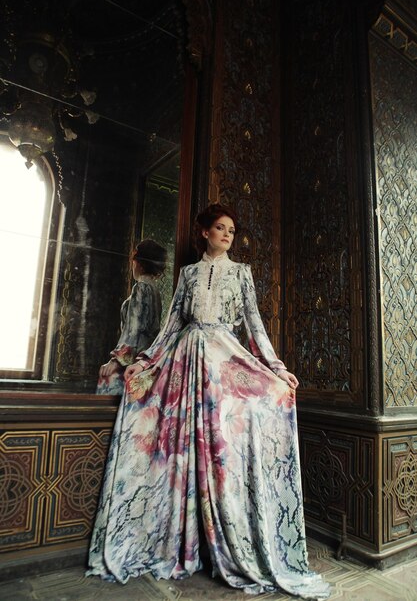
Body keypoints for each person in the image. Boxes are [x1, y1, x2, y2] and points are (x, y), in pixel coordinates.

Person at [87, 204, 330, 600]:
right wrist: (144, 362)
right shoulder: (187, 275)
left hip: (225, 359)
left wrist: (276, 367)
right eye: (220, 228)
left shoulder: (242, 273)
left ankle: (229, 539)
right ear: (204, 232)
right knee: (182, 446)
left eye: (232, 230)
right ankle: (183, 541)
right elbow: (171, 325)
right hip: (187, 361)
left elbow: (254, 324)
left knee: (222, 448)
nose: (227, 234)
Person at [95, 238, 167, 395]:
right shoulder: (154, 290)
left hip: (135, 358)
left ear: (138, 263)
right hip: (146, 356)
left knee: (107, 378)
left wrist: (116, 361)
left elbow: (134, 330)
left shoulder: (141, 288)